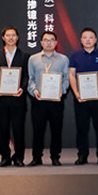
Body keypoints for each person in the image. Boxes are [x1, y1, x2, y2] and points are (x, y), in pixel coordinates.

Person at [27, 30, 70, 166]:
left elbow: (66, 79)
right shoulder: (33, 59)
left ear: (56, 43)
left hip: (56, 100)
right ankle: (36, 157)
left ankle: (55, 156)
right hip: (39, 100)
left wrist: (61, 91)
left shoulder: (63, 59)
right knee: (38, 130)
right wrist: (34, 91)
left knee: (56, 130)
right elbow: (30, 79)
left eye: (52, 40)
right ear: (41, 43)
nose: (49, 43)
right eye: (46, 40)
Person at [69, 27, 98, 165]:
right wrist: (76, 93)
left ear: (95, 40)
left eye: (91, 37)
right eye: (85, 37)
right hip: (81, 98)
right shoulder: (75, 56)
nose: (88, 40)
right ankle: (82, 155)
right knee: (82, 128)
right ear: (81, 40)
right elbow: (71, 75)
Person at [0, 26, 29, 167]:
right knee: (3, 128)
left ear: (17, 38)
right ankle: (5, 157)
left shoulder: (25, 56)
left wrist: (22, 88)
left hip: (18, 98)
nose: (11, 38)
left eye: (13, 35)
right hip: (1, 99)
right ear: (3, 38)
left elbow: (26, 76)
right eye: (8, 35)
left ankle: (19, 157)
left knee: (18, 129)